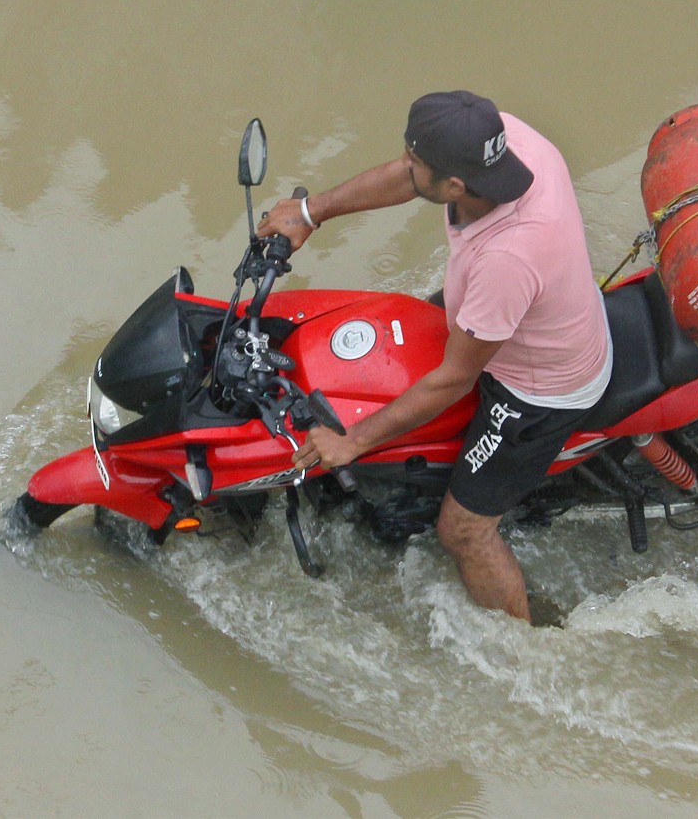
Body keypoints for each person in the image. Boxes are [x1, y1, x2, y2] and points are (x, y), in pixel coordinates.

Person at [257, 91, 611, 622]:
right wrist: (311, 212)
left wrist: (351, 442)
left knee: (463, 530)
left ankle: (525, 650)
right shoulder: (503, 142)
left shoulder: (510, 256)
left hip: (541, 388)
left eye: (416, 161)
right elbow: (408, 178)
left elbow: (455, 379)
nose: (407, 166)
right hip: (525, 316)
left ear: (454, 186)